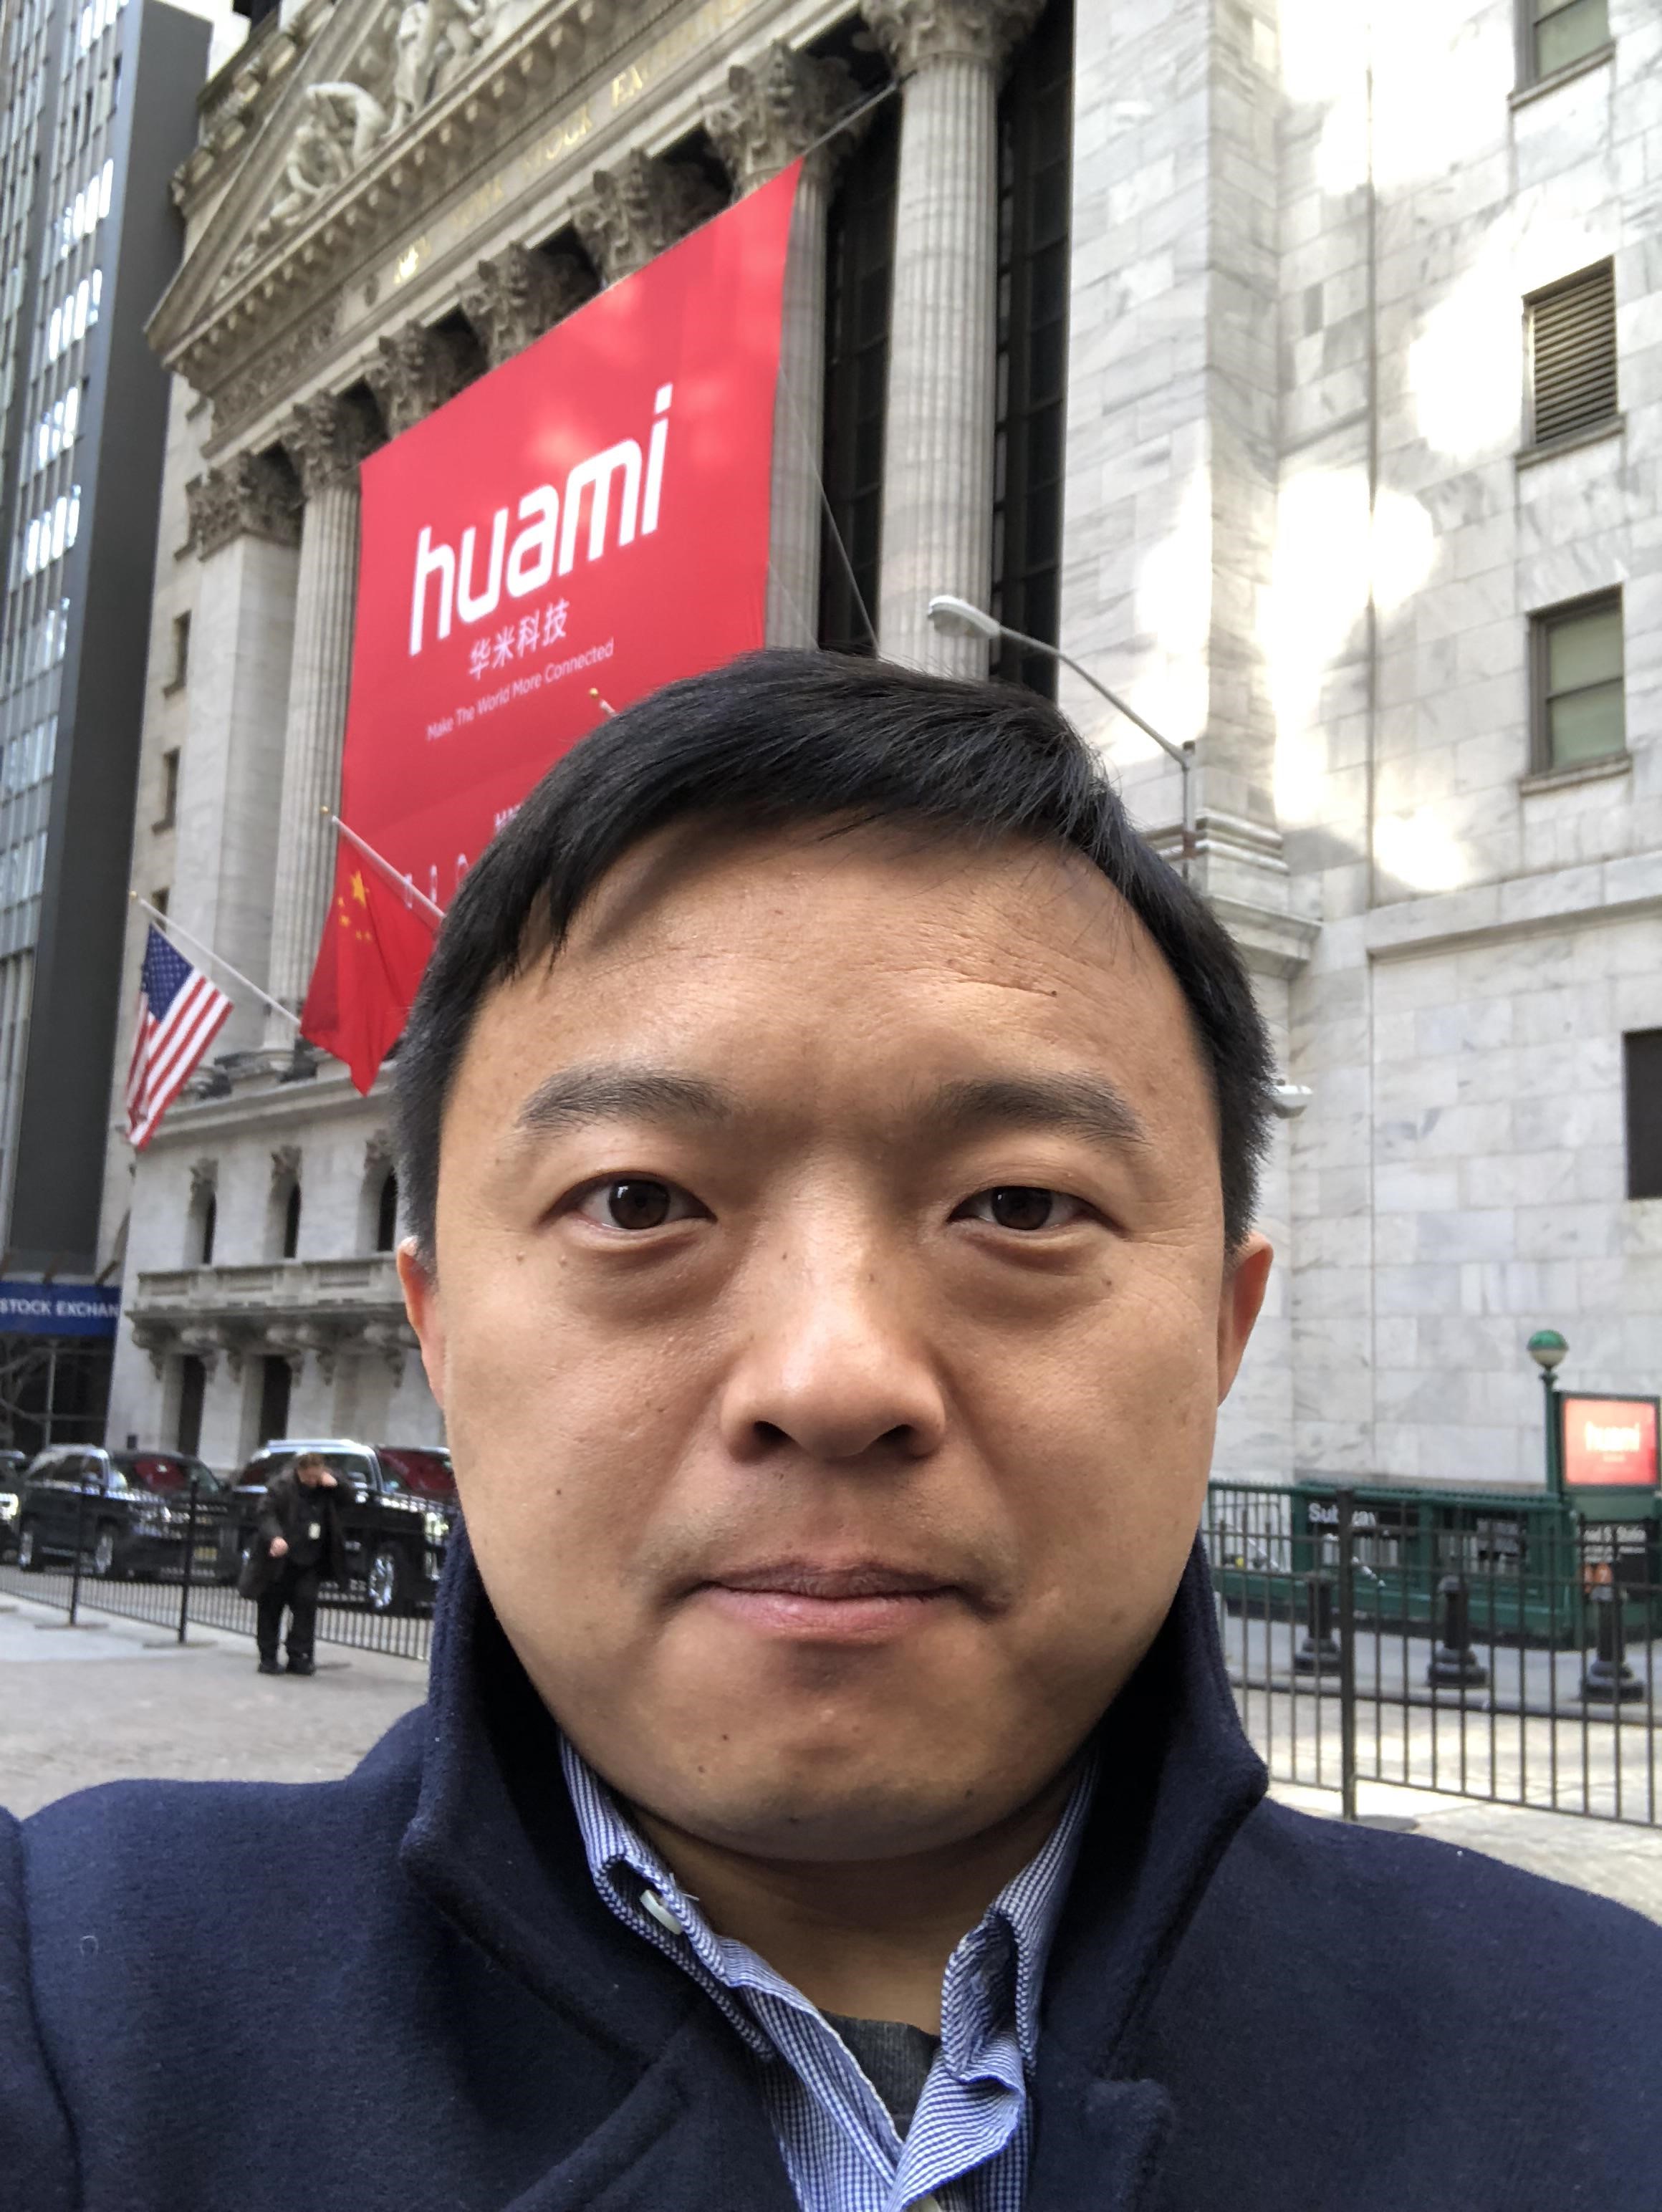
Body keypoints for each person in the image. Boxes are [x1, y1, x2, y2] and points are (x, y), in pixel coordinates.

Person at [3, 653, 1658, 2210]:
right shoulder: (76, 2011)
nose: (832, 1375)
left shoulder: (1604, 2052)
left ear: (1223, 1328)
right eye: (636, 1200)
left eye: (1020, 1204)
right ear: (438, 1328)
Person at [250, 1448, 347, 1676]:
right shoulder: (282, 1486)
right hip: (280, 1559)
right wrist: (275, 1537)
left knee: (305, 1605)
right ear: (299, 1471)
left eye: (317, 1476)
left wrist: (337, 1485)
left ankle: (299, 1655)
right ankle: (268, 1657)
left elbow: (350, 1499)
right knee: (271, 1607)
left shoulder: (326, 1485)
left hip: (310, 1558)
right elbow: (265, 1513)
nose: (313, 1481)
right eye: (309, 1477)